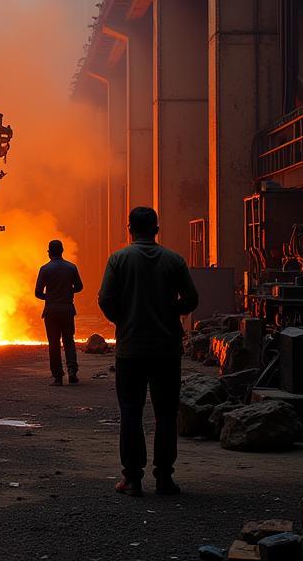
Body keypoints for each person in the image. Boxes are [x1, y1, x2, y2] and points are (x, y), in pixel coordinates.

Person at [98, 206, 199, 498]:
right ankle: (164, 479)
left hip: (130, 350)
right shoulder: (174, 260)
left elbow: (105, 298)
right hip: (166, 350)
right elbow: (191, 298)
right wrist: (170, 314)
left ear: (129, 229)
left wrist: (124, 319)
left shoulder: (118, 259)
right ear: (157, 229)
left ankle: (132, 480)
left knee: (131, 412)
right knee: (166, 415)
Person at [34, 239, 84, 386]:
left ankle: (58, 377)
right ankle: (72, 371)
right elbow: (80, 287)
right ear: (62, 251)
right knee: (69, 341)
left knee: (54, 344)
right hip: (67, 310)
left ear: (49, 253)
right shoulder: (71, 267)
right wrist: (68, 292)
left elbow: (37, 292)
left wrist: (49, 297)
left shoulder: (45, 269)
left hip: (51, 312)